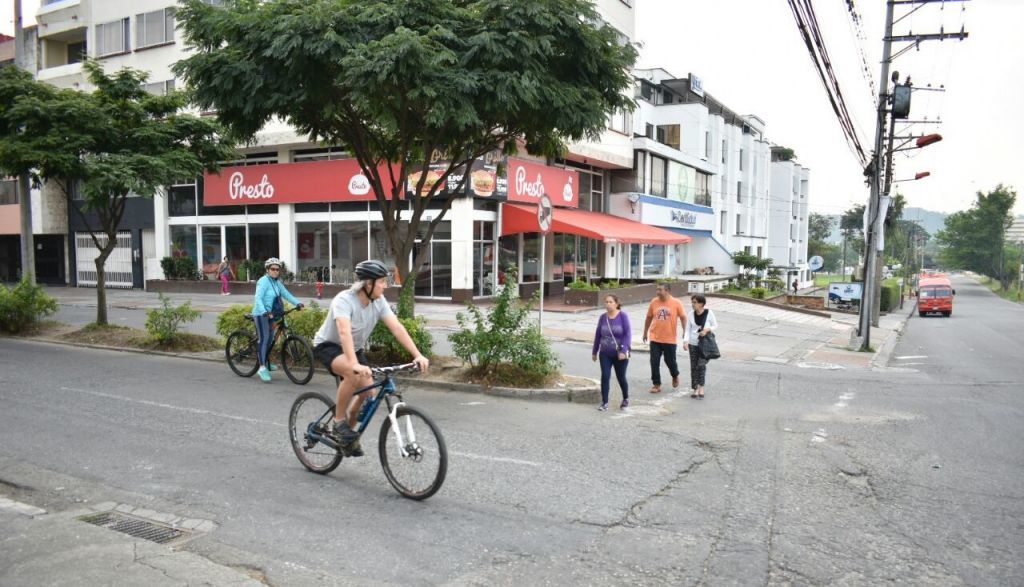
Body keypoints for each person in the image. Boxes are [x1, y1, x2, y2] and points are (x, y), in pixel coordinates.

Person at [312, 259, 430, 454]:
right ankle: (338, 422)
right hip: (329, 346)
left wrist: (417, 355)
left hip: (354, 349)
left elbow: (397, 328)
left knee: (369, 394)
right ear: (368, 283)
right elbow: (344, 332)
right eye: (382, 281)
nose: (385, 286)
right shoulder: (344, 300)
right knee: (352, 373)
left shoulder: (379, 301)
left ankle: (347, 439)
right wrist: (353, 364)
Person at [252, 257, 303, 383]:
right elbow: (258, 298)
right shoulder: (263, 281)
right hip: (261, 314)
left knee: (270, 340)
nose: (275, 271)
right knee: (264, 339)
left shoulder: (277, 283)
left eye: (277, 269)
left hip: (272, 315)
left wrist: (297, 303)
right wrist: (263, 311)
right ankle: (262, 368)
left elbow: (286, 294)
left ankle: (266, 361)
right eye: (273, 269)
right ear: (267, 270)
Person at [641, 282, 687, 394]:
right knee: (654, 361)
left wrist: (685, 332)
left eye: (660, 290)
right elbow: (648, 317)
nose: (657, 292)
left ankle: (675, 375)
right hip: (655, 337)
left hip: (669, 339)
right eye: (657, 289)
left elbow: (683, 317)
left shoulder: (676, 303)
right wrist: (645, 332)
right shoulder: (654, 302)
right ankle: (656, 384)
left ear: (667, 291)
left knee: (670, 361)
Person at [591, 294, 631, 411]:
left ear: (616, 304)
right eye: (606, 302)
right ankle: (604, 402)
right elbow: (598, 335)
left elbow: (627, 334)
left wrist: (623, 350)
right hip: (605, 353)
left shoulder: (623, 316)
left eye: (611, 302)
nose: (608, 304)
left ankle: (625, 398)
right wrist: (594, 351)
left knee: (621, 377)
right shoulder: (602, 317)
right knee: (605, 376)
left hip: (620, 354)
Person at [683, 294, 718, 399]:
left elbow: (715, 325)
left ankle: (701, 387)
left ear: (701, 304)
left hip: (704, 344)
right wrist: (685, 341)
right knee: (693, 367)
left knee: (701, 365)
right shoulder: (690, 314)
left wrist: (707, 330)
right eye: (692, 302)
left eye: (695, 302)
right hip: (693, 344)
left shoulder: (709, 313)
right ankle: (695, 389)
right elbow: (688, 329)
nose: (692, 304)